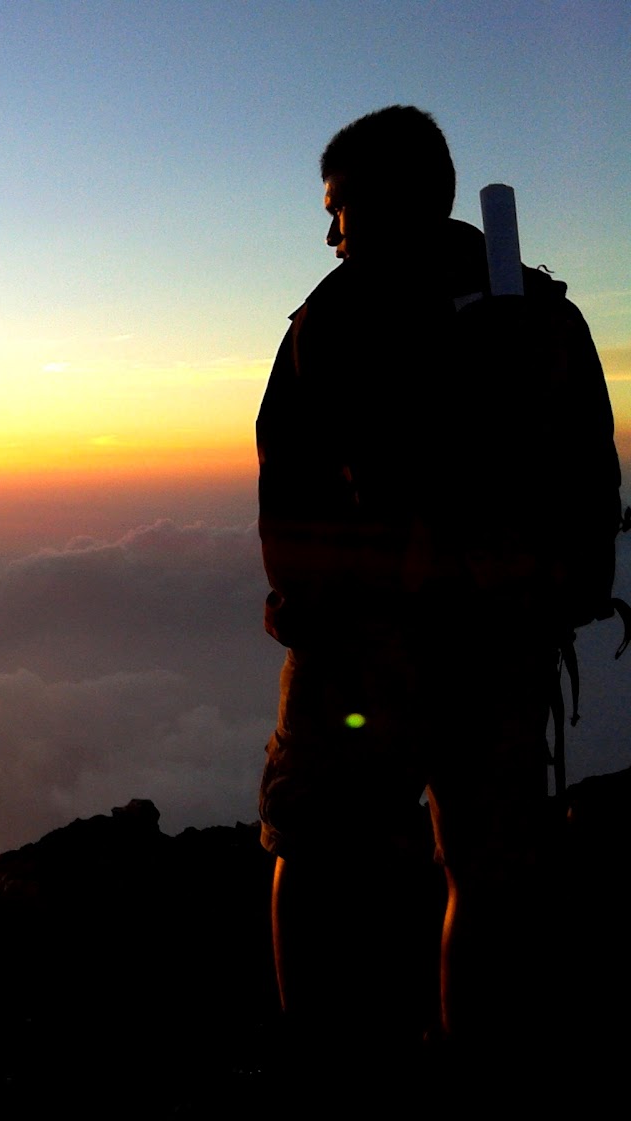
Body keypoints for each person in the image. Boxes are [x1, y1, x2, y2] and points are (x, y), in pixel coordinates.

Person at [255, 105, 620, 1062]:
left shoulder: (332, 322)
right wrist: (555, 594)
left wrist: (307, 615)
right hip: (502, 650)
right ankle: (478, 1067)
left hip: (361, 661)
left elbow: (288, 485)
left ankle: (323, 1066)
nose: (329, 232)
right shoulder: (542, 315)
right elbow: (592, 474)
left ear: (376, 202)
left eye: (337, 208)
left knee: (315, 849)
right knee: (486, 868)